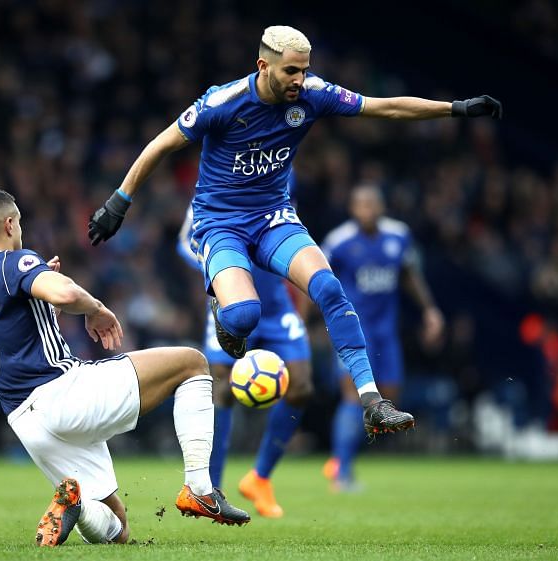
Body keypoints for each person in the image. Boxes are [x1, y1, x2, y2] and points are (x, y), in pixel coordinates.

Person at [88, 25, 501, 436]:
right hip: (221, 225)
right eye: (290, 71)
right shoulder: (223, 101)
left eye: (304, 70)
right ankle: (224, 311)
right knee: (245, 315)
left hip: (273, 218)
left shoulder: (313, 95)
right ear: (263, 65)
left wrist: (456, 108)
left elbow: (385, 107)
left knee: (328, 288)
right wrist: (118, 203)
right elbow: (160, 144)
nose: (299, 80)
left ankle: (372, 401)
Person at [0, 188, 250, 548]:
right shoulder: (12, 262)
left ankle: (76, 505)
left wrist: (45, 306)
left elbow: (19, 334)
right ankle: (200, 489)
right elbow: (64, 293)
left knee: (117, 531)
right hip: (63, 394)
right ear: (10, 223)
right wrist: (95, 308)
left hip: (27, 422)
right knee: (192, 364)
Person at [177, 204, 312, 518]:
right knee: (221, 388)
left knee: (301, 386)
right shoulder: (208, 196)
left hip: (277, 308)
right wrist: (218, 266)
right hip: (229, 301)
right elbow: (184, 243)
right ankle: (210, 489)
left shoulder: (275, 189)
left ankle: (259, 478)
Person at [320, 185, 444, 490]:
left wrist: (429, 310)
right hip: (353, 332)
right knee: (354, 396)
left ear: (381, 206)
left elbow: (409, 275)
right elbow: (317, 282)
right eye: (361, 205)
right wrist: (313, 321)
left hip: (386, 332)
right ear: (352, 208)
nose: (367, 210)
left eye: (372, 204)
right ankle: (342, 471)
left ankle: (341, 459)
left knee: (387, 401)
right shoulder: (338, 242)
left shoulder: (399, 236)